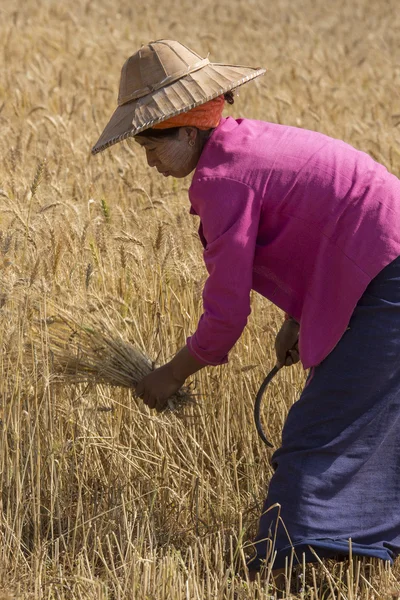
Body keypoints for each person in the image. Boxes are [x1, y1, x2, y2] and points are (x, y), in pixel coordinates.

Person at [92, 39, 400, 575]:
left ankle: (299, 566)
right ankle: (349, 555)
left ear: (189, 129)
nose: (149, 162)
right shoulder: (243, 145)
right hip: (379, 262)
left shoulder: (222, 181)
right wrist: (297, 315)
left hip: (385, 274)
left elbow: (226, 315)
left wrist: (169, 374)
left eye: (152, 146)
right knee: (366, 422)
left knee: (320, 436)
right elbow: (317, 219)